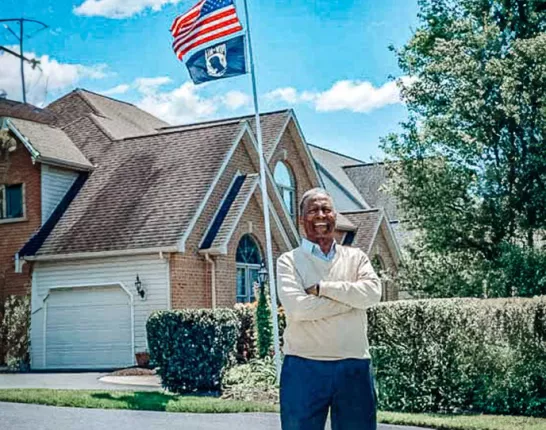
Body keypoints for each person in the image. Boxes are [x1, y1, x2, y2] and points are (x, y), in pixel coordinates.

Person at [277, 187, 382, 430]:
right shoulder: (289, 261)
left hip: (354, 367)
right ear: (301, 220)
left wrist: (323, 287)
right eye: (313, 210)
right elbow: (299, 310)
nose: (321, 216)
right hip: (304, 368)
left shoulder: (357, 258)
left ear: (335, 215)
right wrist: (351, 300)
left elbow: (372, 294)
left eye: (327, 209)